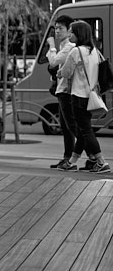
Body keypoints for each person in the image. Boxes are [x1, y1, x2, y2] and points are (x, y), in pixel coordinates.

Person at [58, 21, 111, 173]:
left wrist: (59, 72)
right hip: (92, 95)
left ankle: (101, 162)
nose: (69, 35)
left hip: (78, 96)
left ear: (79, 34)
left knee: (86, 130)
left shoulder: (76, 51)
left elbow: (66, 72)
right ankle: (72, 162)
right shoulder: (94, 51)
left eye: (71, 32)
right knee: (83, 130)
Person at [45, 15, 77, 170]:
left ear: (69, 30)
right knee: (66, 127)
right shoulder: (65, 46)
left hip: (67, 91)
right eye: (56, 28)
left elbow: (53, 62)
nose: (57, 31)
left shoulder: (69, 47)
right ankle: (68, 158)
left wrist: (51, 45)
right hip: (62, 90)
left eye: (60, 28)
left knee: (73, 126)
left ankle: (94, 156)